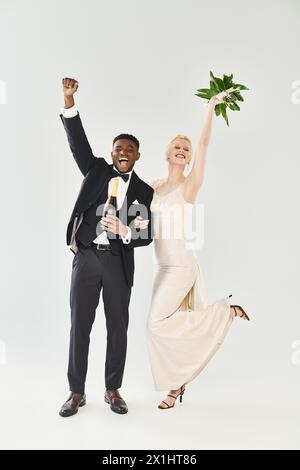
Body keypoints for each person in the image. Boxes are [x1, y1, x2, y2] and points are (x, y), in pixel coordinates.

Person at [136, 90, 250, 409]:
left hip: (181, 266)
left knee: (155, 324)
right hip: (161, 267)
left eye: (186, 149)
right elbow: (139, 218)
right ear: (168, 153)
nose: (184, 151)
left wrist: (211, 107)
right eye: (178, 147)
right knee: (168, 327)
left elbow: (203, 146)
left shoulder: (190, 184)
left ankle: (221, 311)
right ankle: (176, 387)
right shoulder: (155, 187)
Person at [58, 77, 153, 416]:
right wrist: (69, 102)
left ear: (137, 155)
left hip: (117, 263)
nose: (122, 153)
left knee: (118, 327)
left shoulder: (143, 191)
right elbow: (77, 143)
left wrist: (126, 230)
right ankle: (76, 392)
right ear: (112, 153)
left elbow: (147, 234)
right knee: (79, 326)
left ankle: (113, 389)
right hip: (85, 258)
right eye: (117, 148)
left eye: (128, 149)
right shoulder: (96, 170)